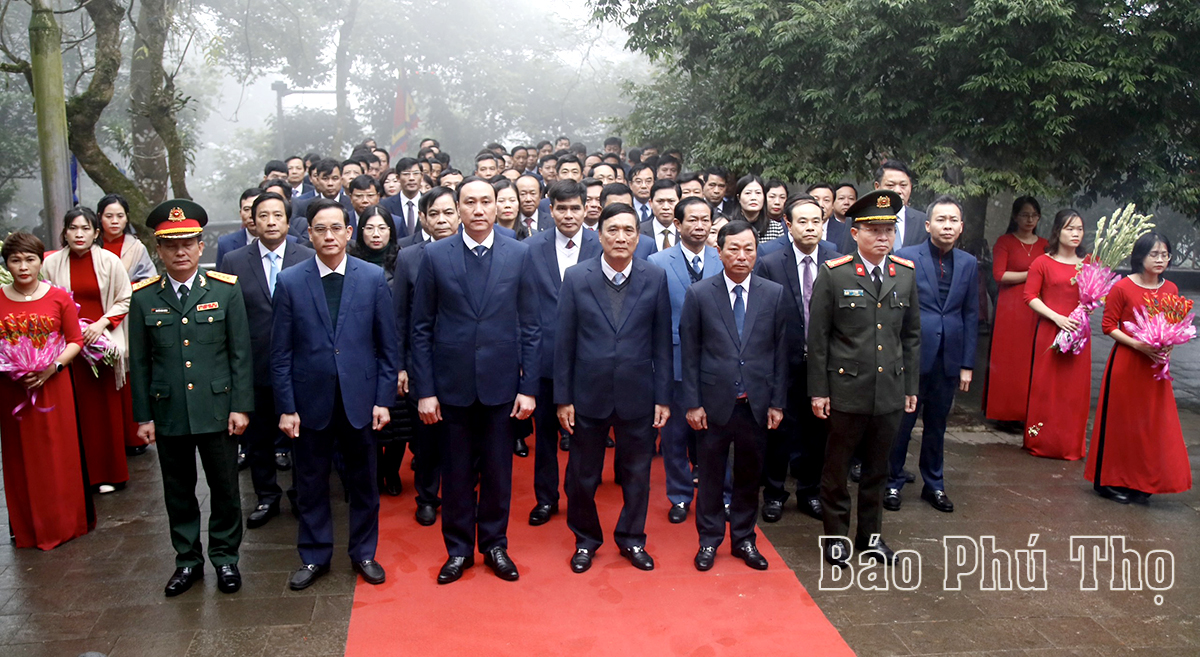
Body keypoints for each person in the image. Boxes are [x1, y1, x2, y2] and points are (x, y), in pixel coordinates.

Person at [411, 177, 540, 585]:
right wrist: (425, 390)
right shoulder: (435, 256)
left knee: (500, 472)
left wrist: (529, 387)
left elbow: (532, 326)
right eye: (471, 202)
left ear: (500, 207)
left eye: (487, 201)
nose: (479, 209)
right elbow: (421, 328)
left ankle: (496, 544)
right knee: (457, 471)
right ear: (458, 208)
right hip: (451, 386)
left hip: (502, 386)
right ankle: (458, 549)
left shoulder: (519, 254)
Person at [128, 200, 253, 596]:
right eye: (171, 245)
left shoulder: (225, 290)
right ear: (158, 250)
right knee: (178, 490)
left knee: (225, 488)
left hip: (217, 409)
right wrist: (143, 416)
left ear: (201, 247)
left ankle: (226, 558)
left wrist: (240, 406)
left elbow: (240, 354)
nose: (180, 252)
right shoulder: (144, 297)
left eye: (188, 243)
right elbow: (142, 363)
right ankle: (187, 561)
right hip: (169, 410)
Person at [272, 198, 397, 591]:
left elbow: (388, 349)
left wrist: (383, 399)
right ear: (309, 234)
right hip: (310, 403)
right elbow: (280, 353)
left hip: (360, 399)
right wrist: (287, 407)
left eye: (336, 228)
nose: (329, 236)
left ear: (349, 232)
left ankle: (363, 552)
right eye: (320, 229)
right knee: (310, 482)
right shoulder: (291, 281)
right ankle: (314, 556)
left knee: (364, 482)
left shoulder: (372, 277)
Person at [556, 203, 672, 573]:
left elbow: (661, 343)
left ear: (638, 236)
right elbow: (564, 342)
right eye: (613, 230)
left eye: (629, 230)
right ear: (600, 234)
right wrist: (563, 398)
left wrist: (663, 397)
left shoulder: (654, 277)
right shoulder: (576, 277)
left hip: (638, 395)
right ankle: (586, 540)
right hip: (587, 395)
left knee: (638, 475)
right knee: (582, 476)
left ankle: (632, 539)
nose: (621, 237)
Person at [808, 190, 920, 568]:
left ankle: (871, 537)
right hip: (846, 390)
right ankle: (836, 538)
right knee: (837, 470)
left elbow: (911, 336)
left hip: (888, 391)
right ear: (855, 233)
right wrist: (819, 391)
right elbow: (818, 338)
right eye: (874, 230)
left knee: (878, 471)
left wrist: (910, 388)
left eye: (888, 230)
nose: (883, 237)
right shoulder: (835, 273)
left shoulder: (903, 274)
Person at [680, 220, 787, 572]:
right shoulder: (700, 293)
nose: (742, 257)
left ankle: (743, 539)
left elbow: (780, 352)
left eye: (749, 249)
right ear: (719, 251)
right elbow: (690, 353)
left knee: (748, 475)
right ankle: (709, 540)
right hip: (712, 404)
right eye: (734, 249)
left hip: (755, 403)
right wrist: (692, 402)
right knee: (710, 476)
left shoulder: (772, 293)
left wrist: (777, 402)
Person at [220, 191, 315, 529]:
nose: (270, 221)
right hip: (255, 361)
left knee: (303, 435)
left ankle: (303, 495)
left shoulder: (307, 255)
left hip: (301, 361)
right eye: (263, 215)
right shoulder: (233, 260)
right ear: (251, 220)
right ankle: (266, 496)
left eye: (277, 215)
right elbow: (227, 315)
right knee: (258, 438)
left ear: (288, 221)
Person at [886, 196, 979, 513]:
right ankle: (892, 482)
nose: (948, 226)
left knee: (937, 426)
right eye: (941, 220)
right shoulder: (905, 257)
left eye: (954, 220)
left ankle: (934, 485)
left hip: (948, 359)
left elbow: (970, 314)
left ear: (961, 226)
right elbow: (893, 311)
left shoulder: (968, 263)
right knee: (902, 424)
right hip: (911, 357)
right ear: (928, 225)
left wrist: (967, 364)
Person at [0, 232, 90, 550]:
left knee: (58, 455)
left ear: (41, 261)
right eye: (15, 260)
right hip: (13, 392)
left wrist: (52, 366)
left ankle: (66, 523)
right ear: (7, 264)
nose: (23, 267)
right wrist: (12, 367)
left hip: (54, 386)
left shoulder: (58, 297)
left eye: (30, 259)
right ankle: (27, 528)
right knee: (20, 458)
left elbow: (75, 341)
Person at [1086, 232, 1191, 503]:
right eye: (1154, 254)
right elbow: (1108, 326)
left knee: (1150, 426)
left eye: (1164, 254)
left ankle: (1142, 480)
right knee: (1123, 424)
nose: (1160, 259)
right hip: (1128, 363)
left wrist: (1168, 345)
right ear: (1139, 256)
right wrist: (1139, 344)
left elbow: (1173, 325)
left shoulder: (1171, 290)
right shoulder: (1122, 288)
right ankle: (1108, 481)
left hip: (1156, 367)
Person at [755, 197, 841, 523]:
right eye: (802, 222)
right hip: (782, 361)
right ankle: (775, 493)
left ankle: (810, 491)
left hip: (824, 363)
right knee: (779, 430)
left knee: (818, 431)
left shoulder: (837, 260)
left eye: (816, 221)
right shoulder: (770, 262)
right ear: (788, 225)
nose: (810, 228)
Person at [524, 181, 601, 525]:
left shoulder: (602, 245)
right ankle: (546, 498)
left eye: (575, 208)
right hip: (542, 358)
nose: (568, 215)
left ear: (586, 209)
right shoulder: (529, 248)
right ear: (550, 209)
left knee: (583, 435)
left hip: (588, 359)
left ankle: (578, 495)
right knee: (545, 436)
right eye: (561, 208)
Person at [43, 208, 133, 494]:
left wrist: (101, 324)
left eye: (85, 228)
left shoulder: (109, 260)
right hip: (68, 347)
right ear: (65, 232)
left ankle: (111, 473)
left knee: (104, 411)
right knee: (73, 411)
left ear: (96, 233)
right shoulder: (51, 264)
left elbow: (124, 298)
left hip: (101, 344)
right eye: (73, 228)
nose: (79, 234)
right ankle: (78, 474)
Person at [648, 197, 723, 524]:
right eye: (692, 220)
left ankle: (721, 494)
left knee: (718, 434)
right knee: (675, 435)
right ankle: (679, 496)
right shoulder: (657, 262)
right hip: (674, 359)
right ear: (677, 225)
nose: (700, 226)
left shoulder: (724, 259)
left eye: (705, 220)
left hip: (718, 362)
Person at [394, 187, 460, 526]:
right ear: (423, 218)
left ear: (459, 214)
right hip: (424, 361)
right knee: (427, 435)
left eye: (448, 212)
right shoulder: (409, 257)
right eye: (434, 214)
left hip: (462, 363)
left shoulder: (473, 252)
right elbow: (401, 318)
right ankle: (427, 497)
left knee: (463, 435)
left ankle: (461, 494)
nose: (442, 219)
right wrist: (402, 366)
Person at [1023, 209, 1089, 460]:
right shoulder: (1042, 262)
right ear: (1057, 231)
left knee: (1074, 391)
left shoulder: (1089, 263)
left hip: (1079, 334)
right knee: (1045, 387)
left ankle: (1070, 445)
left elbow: (1095, 297)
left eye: (1079, 229)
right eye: (1070, 228)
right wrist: (1057, 317)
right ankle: (1040, 441)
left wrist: (1084, 312)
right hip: (1050, 330)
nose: (1075, 234)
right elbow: (1029, 296)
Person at [983, 196, 1048, 427]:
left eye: (1034, 215)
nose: (1029, 219)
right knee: (1008, 359)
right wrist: (1034, 273)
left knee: (1031, 360)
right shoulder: (1005, 241)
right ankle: (1004, 413)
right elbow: (1000, 275)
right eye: (1024, 214)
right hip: (1010, 308)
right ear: (1015, 216)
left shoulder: (1045, 245)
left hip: (1037, 308)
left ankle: (1026, 413)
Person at [349, 205, 400, 284]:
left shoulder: (402, 259)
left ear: (390, 231)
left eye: (382, 228)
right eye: (369, 228)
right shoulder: (350, 259)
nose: (376, 234)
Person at [731, 175, 785, 244]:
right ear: (739, 198)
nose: (753, 198)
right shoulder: (728, 225)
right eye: (748, 193)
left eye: (758, 193)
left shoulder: (776, 228)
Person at [216, 189, 261, 270]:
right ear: (240, 213)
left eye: (256, 208)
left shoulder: (283, 241)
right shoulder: (226, 244)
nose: (251, 215)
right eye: (247, 209)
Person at [382, 158, 423, 238]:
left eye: (415, 173)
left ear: (422, 176)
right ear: (398, 178)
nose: (411, 178)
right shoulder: (385, 205)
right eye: (406, 174)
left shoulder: (430, 202)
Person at [640, 179, 680, 253]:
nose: (665, 207)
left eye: (671, 201)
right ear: (650, 203)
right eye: (660, 201)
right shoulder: (639, 231)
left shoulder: (686, 232)